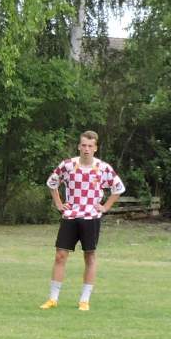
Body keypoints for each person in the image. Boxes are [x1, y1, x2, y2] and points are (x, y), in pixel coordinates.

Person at [41, 129, 124, 311]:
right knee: (60, 255)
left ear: (95, 148)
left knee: (89, 256)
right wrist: (59, 203)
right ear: (79, 146)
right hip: (71, 216)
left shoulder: (103, 168)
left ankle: (84, 300)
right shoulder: (68, 165)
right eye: (84, 145)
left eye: (90, 146)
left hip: (91, 217)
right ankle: (53, 299)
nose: (86, 149)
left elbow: (118, 188)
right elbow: (52, 183)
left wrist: (105, 207)